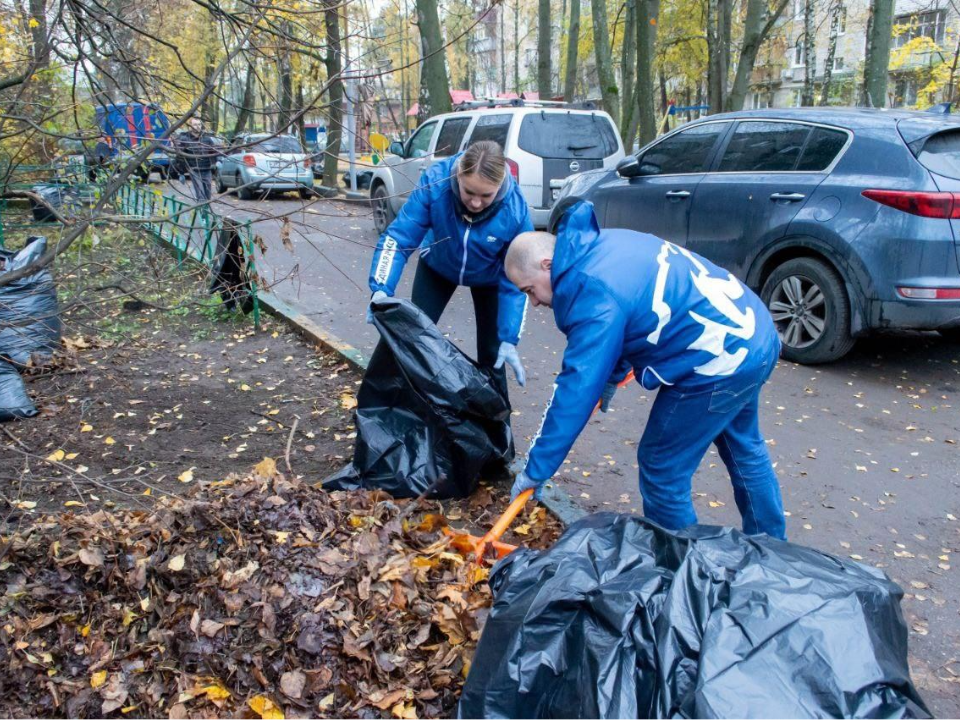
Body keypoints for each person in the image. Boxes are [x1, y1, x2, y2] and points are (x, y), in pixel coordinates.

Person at [504, 200, 786, 540]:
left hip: (717, 361)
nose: (534, 302)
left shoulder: (590, 290)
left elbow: (576, 390)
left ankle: (682, 568)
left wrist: (538, 469)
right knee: (744, 448)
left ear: (547, 264)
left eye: (529, 290)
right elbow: (631, 315)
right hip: (754, 335)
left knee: (661, 466)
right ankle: (770, 548)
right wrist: (609, 379)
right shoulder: (599, 245)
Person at [365, 140, 532, 399]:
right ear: (457, 176)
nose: (476, 203)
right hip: (439, 265)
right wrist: (380, 288)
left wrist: (509, 336)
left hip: (489, 277)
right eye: (469, 192)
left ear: (500, 184)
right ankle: (385, 407)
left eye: (486, 195)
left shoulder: (515, 209)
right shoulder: (436, 183)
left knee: (493, 354)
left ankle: (493, 433)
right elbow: (399, 238)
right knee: (409, 335)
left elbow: (519, 275)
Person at [177, 116, 218, 203]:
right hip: (194, 170)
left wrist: (214, 163)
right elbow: (180, 157)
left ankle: (206, 213)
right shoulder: (185, 139)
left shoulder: (207, 139)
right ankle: (203, 214)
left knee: (208, 195)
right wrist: (181, 172)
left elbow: (214, 152)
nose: (198, 126)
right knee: (201, 195)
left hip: (206, 169)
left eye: (199, 124)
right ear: (190, 126)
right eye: (195, 125)